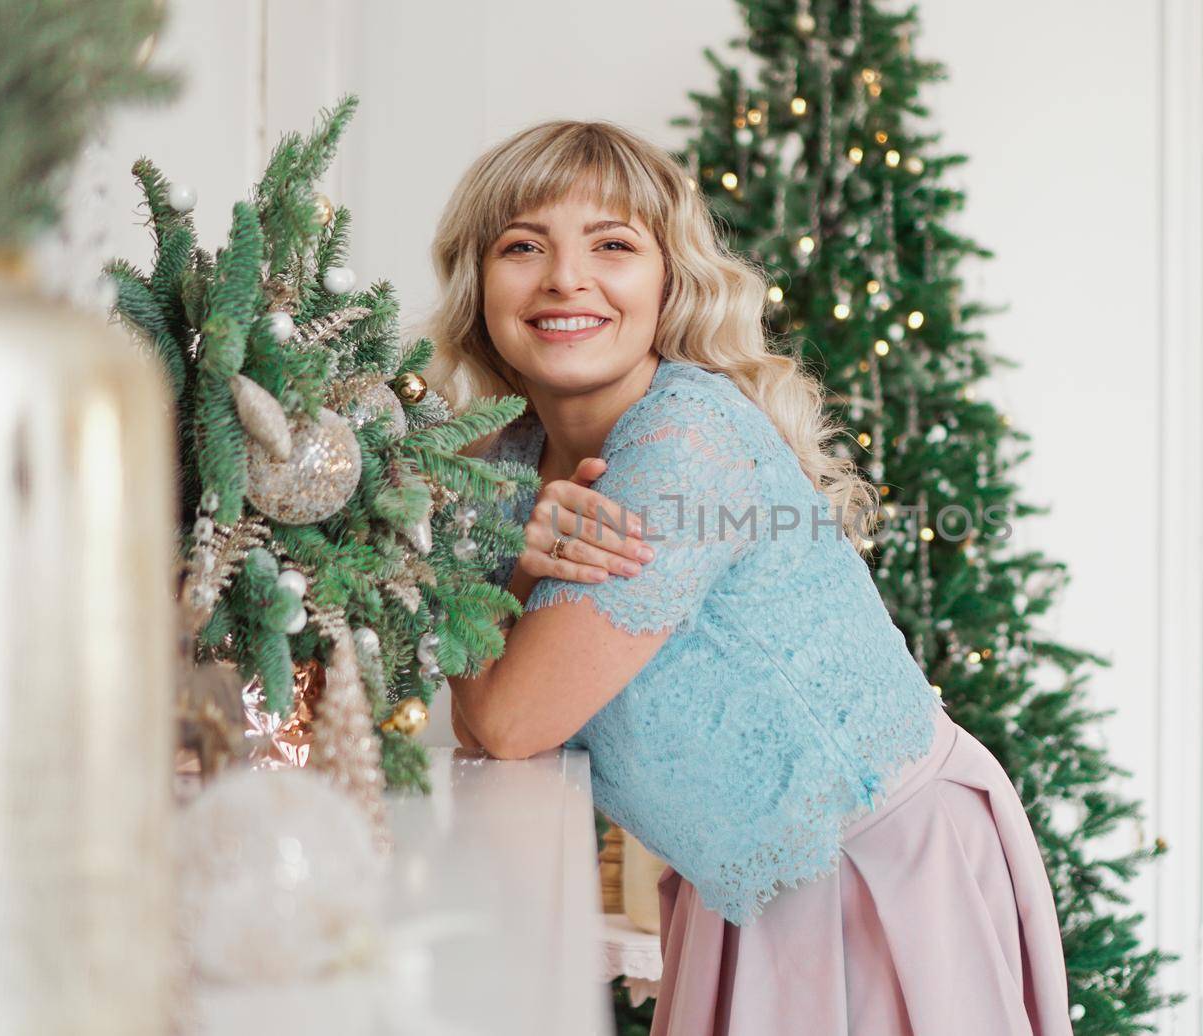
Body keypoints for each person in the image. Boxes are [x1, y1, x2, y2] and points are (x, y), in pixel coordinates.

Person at [434, 119, 1074, 1036]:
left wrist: (476, 589)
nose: (565, 278)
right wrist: (495, 580)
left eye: (612, 245)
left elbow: (506, 718)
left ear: (668, 281)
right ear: (479, 281)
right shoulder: (508, 458)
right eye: (523, 246)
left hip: (878, 867)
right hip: (749, 883)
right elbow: (487, 710)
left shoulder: (683, 444)